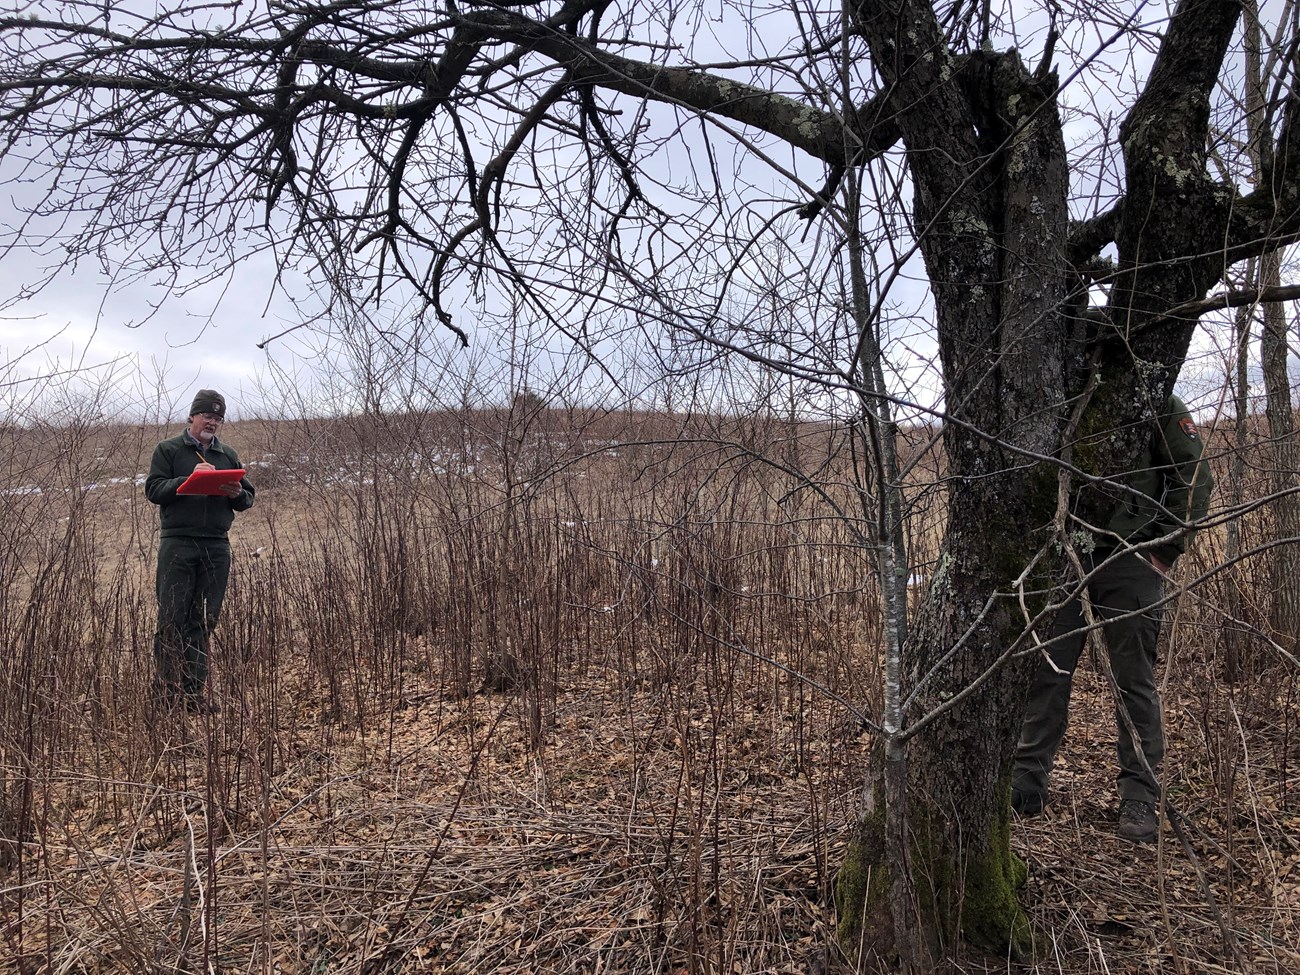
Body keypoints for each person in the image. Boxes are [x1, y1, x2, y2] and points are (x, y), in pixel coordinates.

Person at [1012, 394, 1213, 843]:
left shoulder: (1153, 395)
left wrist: (1164, 550)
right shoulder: (1053, 384)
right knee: (1047, 670)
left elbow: (1194, 475)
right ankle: (1026, 783)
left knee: (1132, 680)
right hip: (1063, 555)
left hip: (1132, 558)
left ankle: (1140, 795)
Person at [145, 389, 255, 714]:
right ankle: (167, 695)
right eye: (207, 415)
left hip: (216, 547)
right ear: (192, 416)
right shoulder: (167, 450)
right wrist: (187, 480)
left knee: (203, 621)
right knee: (171, 619)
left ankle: (193, 697)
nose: (212, 422)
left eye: (218, 418)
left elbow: (247, 498)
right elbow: (153, 489)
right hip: (178, 544)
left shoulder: (227, 454)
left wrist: (237, 492)